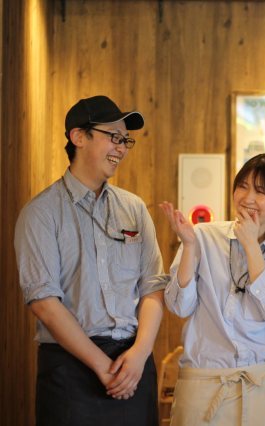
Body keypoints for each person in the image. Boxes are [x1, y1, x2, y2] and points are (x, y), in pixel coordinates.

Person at [14, 95, 167, 425]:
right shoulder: (41, 213)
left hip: (133, 364)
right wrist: (102, 366)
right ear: (78, 137)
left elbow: (153, 288)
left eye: (125, 140)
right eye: (114, 137)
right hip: (71, 368)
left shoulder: (134, 208)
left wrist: (140, 354)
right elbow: (44, 302)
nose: (121, 148)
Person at [160, 153, 265, 426]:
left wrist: (250, 245)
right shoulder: (202, 235)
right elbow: (179, 306)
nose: (248, 198)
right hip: (202, 385)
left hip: (258, 386)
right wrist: (189, 246)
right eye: (243, 186)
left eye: (261, 191)